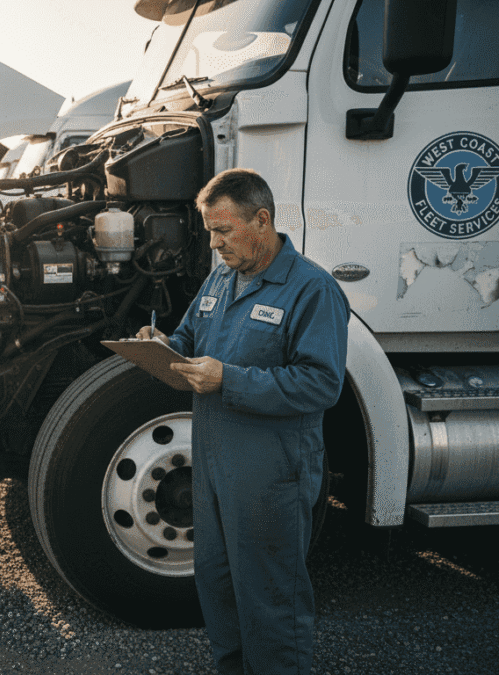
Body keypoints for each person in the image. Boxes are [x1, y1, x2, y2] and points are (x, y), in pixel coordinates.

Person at [137, 168, 349, 674]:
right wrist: (162, 346)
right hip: (214, 468)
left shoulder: (312, 290)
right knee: (217, 583)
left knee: (270, 597)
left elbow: (322, 384)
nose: (214, 244)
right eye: (210, 231)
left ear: (262, 219)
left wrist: (228, 380)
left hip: (270, 474)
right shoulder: (222, 278)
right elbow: (190, 338)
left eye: (223, 230)